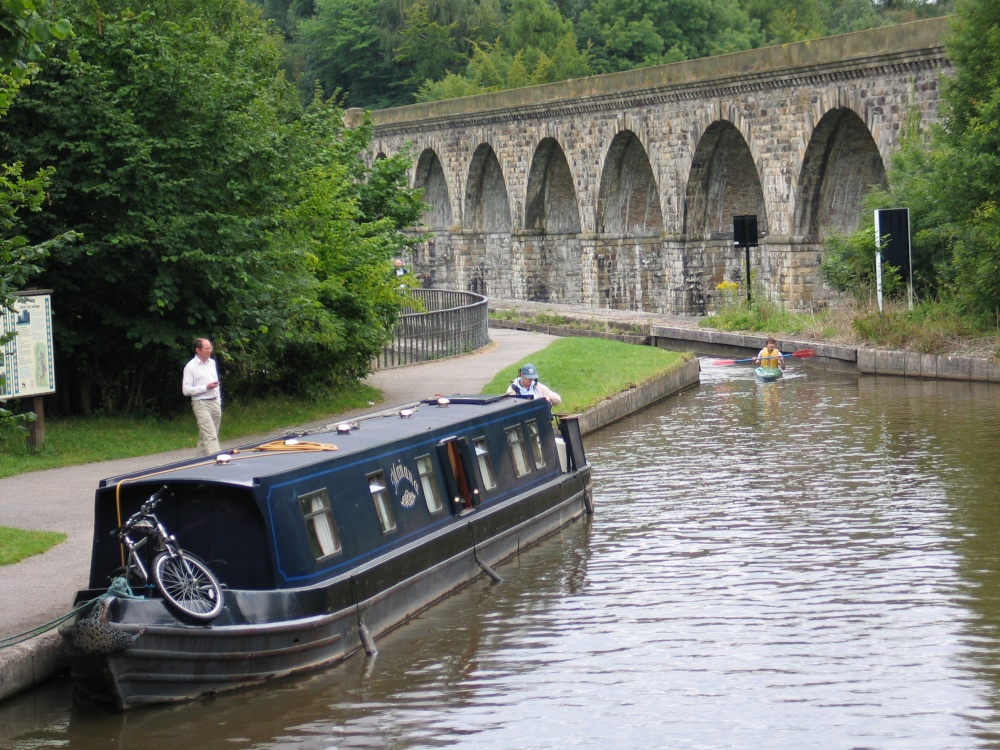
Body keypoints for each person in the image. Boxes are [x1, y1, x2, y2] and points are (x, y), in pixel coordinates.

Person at [182, 338, 223, 455]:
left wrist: (218, 400)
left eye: (210, 348)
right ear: (198, 350)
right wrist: (206, 387)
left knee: (207, 434)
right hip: (201, 403)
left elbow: (216, 385)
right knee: (211, 435)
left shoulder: (212, 363)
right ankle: (217, 460)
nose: (210, 350)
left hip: (214, 402)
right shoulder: (190, 367)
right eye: (207, 348)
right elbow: (185, 390)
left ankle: (199, 459)